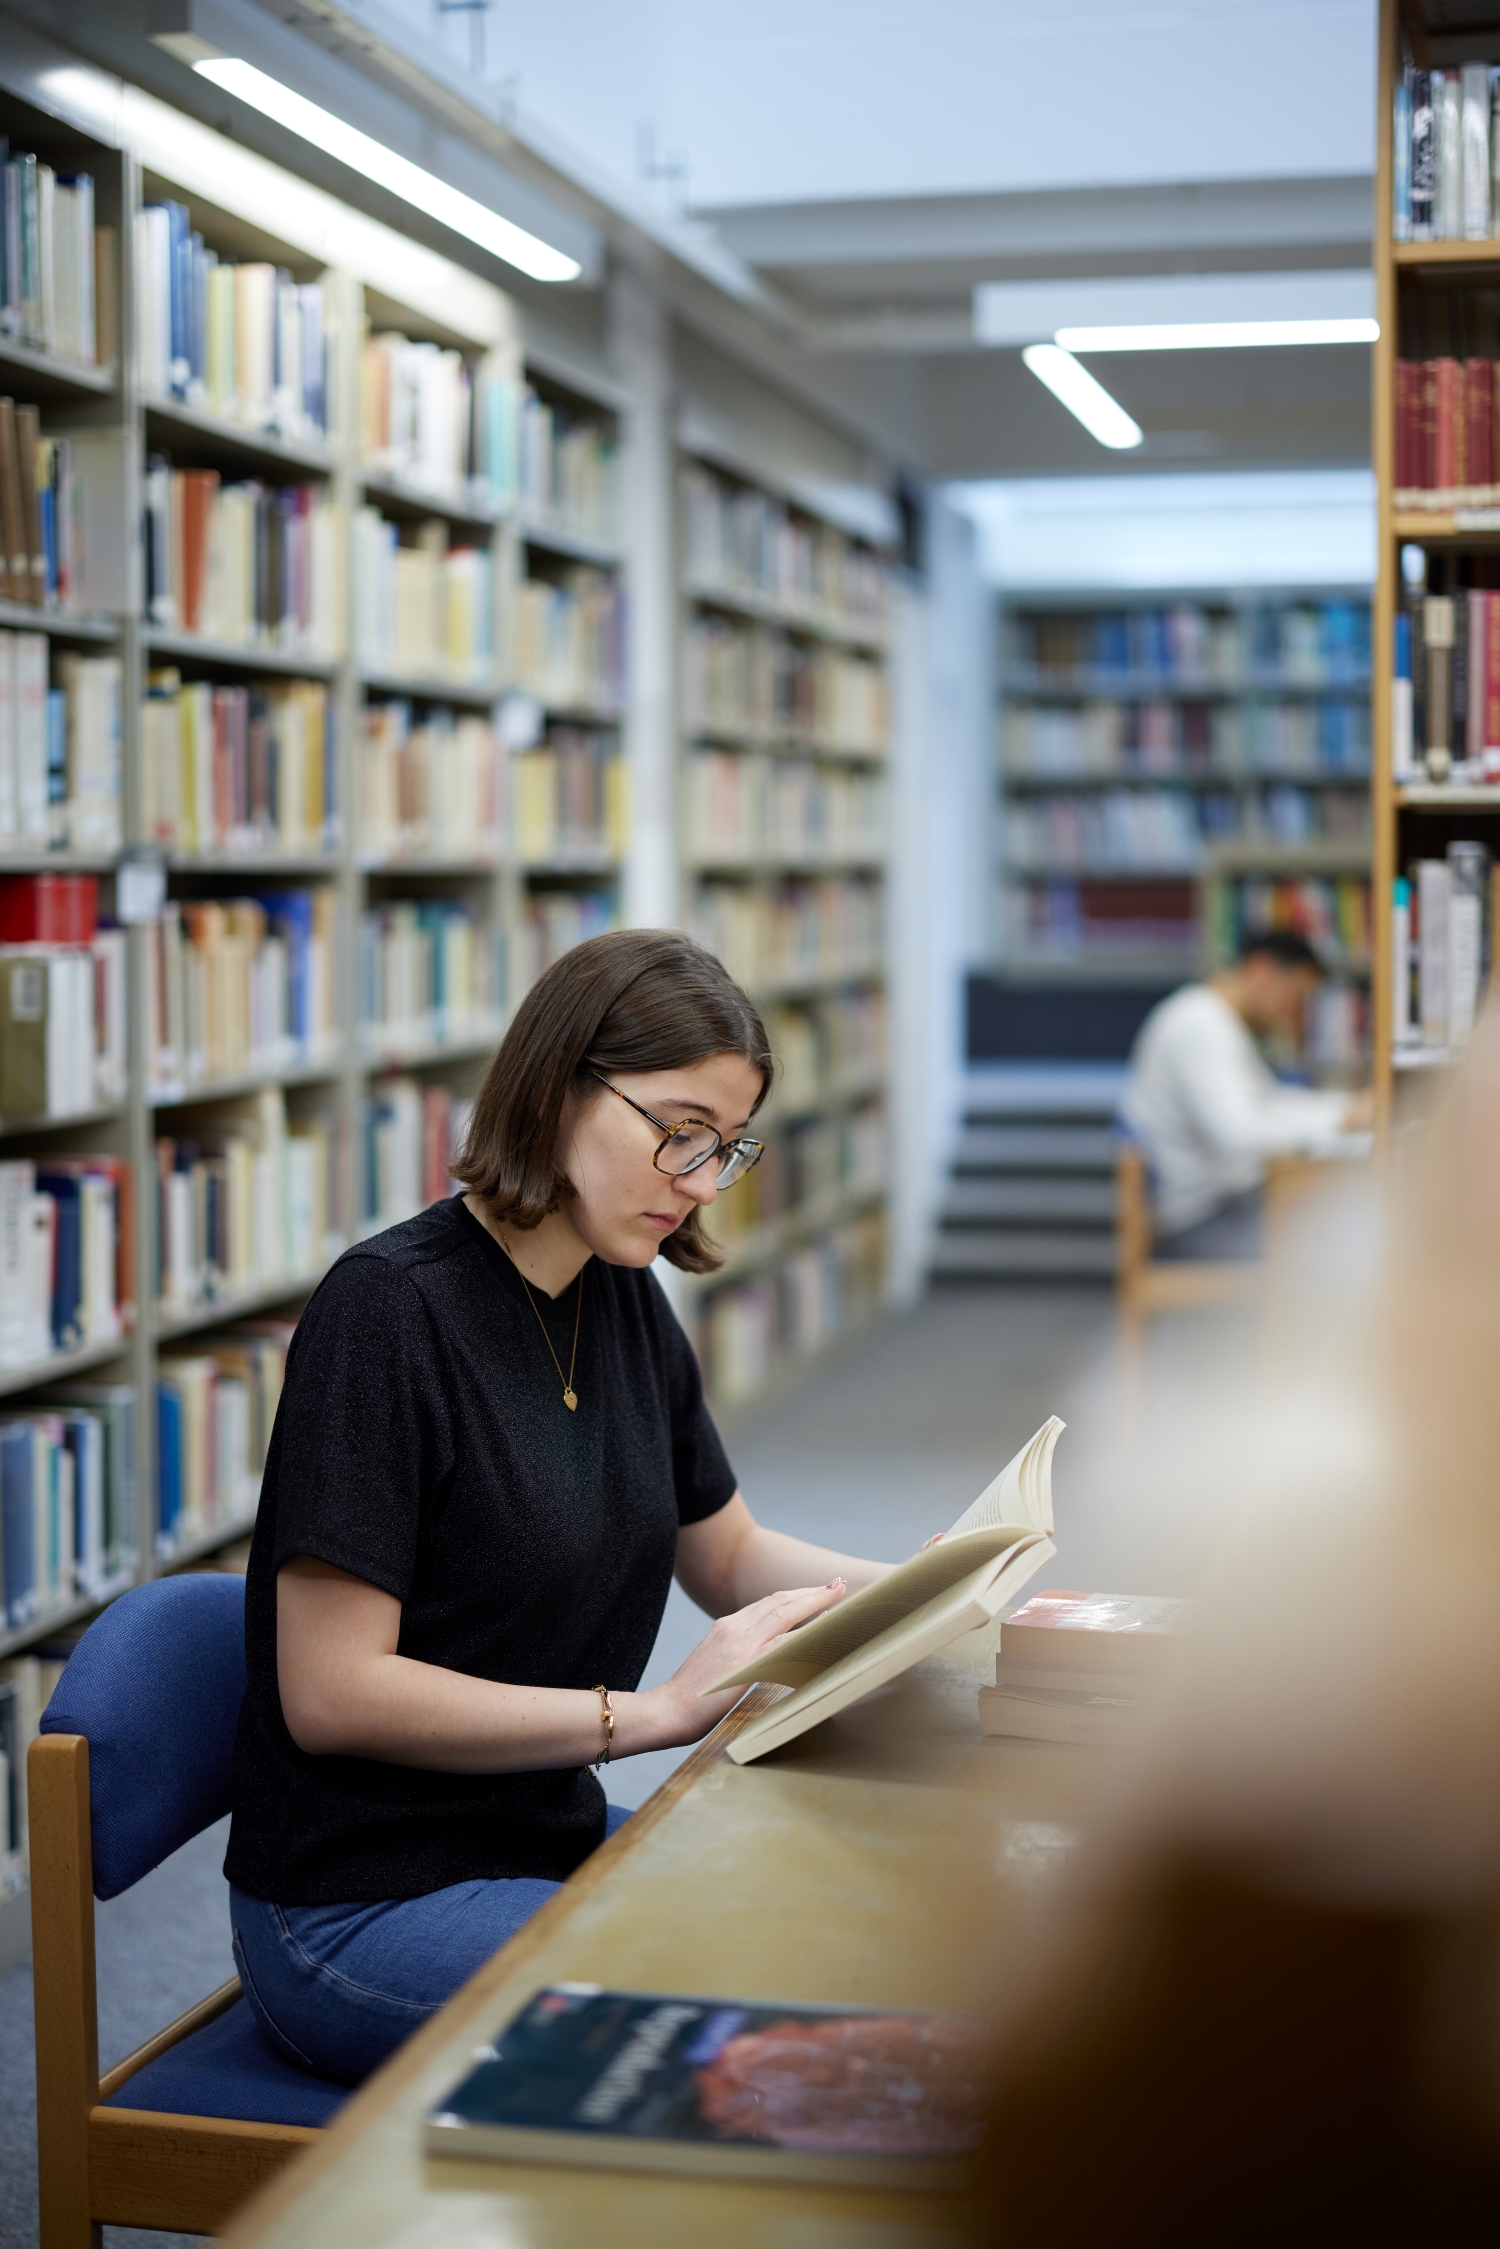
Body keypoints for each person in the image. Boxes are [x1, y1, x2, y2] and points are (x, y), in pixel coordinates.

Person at [224, 929, 893, 2086]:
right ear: (559, 1085)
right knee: (725, 2034)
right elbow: (331, 1692)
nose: (695, 1181)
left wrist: (925, 1593)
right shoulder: (387, 1315)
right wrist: (650, 1712)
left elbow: (725, 1552)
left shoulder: (621, 1293)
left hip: (542, 1844)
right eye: (677, 1131)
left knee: (829, 1924)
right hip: (357, 1902)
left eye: (724, 1148)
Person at [1120, 929, 1370, 1261]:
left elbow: (1270, 1103)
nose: (1293, 1016)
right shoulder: (1197, 1027)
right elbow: (1239, 1133)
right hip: (1202, 1224)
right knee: (1348, 1245)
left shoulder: (1218, 1022)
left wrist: (1345, 1108)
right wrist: (1342, 1117)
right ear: (1263, 972)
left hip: (1228, 1207)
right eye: (1295, 999)